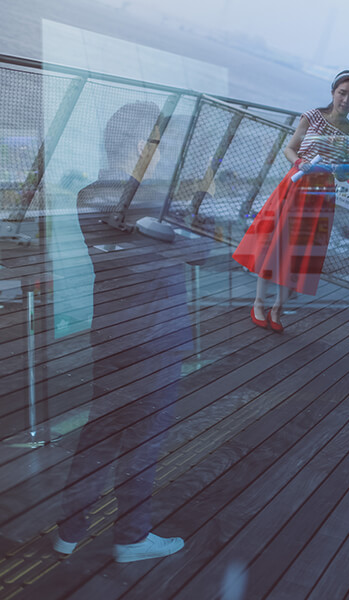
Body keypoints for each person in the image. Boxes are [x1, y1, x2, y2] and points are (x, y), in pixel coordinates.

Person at [53, 101, 188, 562]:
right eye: (159, 143)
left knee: (100, 434)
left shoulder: (90, 195)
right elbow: (199, 252)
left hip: (113, 334)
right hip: (156, 337)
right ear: (139, 145)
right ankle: (131, 537)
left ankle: (70, 530)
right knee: (143, 441)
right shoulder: (149, 200)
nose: (165, 153)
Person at [232, 70, 349, 332]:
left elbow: (345, 174)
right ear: (333, 92)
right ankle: (258, 303)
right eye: (342, 93)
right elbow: (289, 148)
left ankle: (278, 309)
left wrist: (341, 162)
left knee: (299, 251)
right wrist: (300, 162)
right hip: (296, 185)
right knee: (276, 244)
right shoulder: (312, 116)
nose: (346, 100)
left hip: (321, 195)